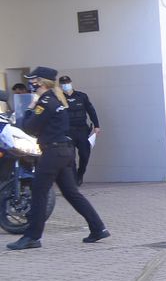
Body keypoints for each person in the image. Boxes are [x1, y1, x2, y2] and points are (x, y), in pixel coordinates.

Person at [6, 67, 110, 251]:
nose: (31, 83)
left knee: (38, 192)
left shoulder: (45, 102)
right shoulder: (56, 99)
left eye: (34, 80)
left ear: (40, 82)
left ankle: (32, 236)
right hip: (64, 151)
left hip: (53, 153)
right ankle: (98, 227)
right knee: (71, 192)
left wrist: (29, 109)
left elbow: (29, 128)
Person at [59, 75, 100, 183]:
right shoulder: (59, 99)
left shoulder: (81, 96)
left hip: (82, 130)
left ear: (71, 82)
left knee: (85, 155)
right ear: (60, 85)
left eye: (67, 82)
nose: (65, 85)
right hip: (68, 131)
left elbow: (91, 110)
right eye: (63, 83)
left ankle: (80, 173)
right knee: (70, 157)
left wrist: (96, 125)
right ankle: (74, 179)